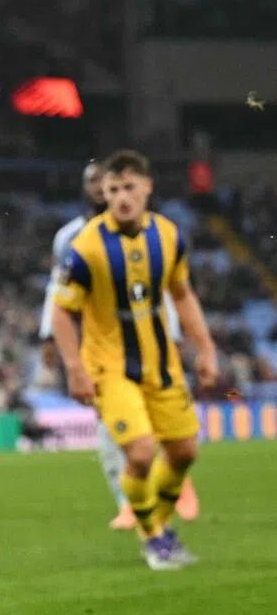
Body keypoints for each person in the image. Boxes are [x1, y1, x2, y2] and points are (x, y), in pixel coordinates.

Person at [50, 149, 217, 570]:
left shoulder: (169, 235)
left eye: (129, 187)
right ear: (103, 194)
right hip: (111, 368)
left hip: (161, 364)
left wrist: (207, 348)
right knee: (141, 453)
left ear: (147, 187)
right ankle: (154, 537)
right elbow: (61, 311)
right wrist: (74, 368)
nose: (122, 197)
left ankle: (158, 528)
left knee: (184, 453)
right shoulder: (86, 247)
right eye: (113, 190)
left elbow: (183, 295)